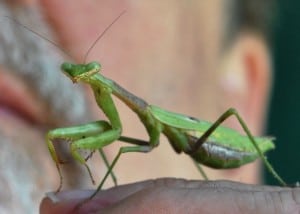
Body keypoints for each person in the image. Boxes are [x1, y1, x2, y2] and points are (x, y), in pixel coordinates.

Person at [0, 0, 299, 213]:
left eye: (85, 75)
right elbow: (115, 133)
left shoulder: (214, 115)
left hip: (223, 146)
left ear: (241, 95)